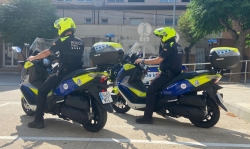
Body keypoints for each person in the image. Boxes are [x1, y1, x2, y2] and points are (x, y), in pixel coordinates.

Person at [27, 17, 84, 129]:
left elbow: (47, 52)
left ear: (63, 27)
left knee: (42, 91)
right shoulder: (80, 42)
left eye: (58, 27)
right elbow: (71, 56)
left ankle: (38, 121)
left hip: (64, 73)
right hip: (77, 72)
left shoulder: (62, 41)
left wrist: (34, 57)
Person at [135, 27, 184, 124]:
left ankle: (147, 117)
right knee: (157, 89)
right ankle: (159, 108)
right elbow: (171, 61)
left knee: (150, 90)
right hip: (174, 74)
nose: (161, 39)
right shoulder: (178, 46)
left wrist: (142, 60)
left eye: (161, 36)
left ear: (166, 35)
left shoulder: (169, 46)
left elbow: (157, 60)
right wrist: (161, 70)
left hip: (168, 75)